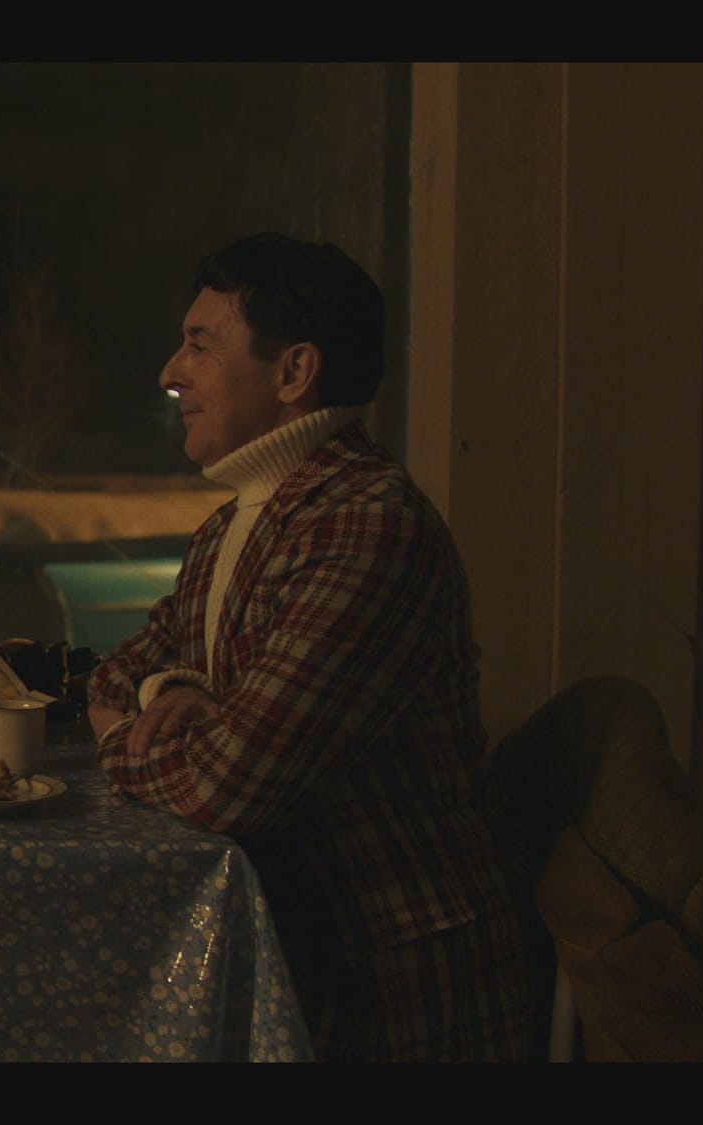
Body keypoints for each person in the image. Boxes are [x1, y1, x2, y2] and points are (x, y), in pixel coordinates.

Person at [85, 232, 535, 1061]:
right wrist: (171, 690)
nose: (171, 372)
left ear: (294, 372)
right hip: (289, 957)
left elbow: (226, 786)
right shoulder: (237, 521)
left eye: (201, 345)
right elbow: (116, 670)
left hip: (387, 990)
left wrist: (118, 736)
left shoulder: (367, 524)